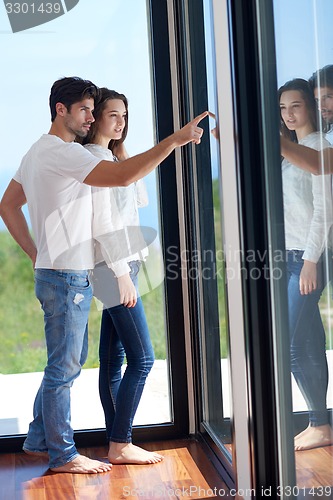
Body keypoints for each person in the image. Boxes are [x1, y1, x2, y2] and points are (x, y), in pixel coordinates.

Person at [0, 76, 207, 474]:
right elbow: (123, 177)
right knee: (65, 369)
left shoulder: (36, 151)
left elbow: (8, 205)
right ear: (60, 109)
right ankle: (63, 455)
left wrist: (34, 252)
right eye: (85, 110)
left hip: (59, 272)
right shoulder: (67, 154)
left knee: (69, 362)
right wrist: (174, 141)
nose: (90, 118)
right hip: (67, 275)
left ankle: (41, 438)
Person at [82, 88, 162, 465]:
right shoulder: (93, 161)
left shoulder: (111, 158)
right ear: (94, 117)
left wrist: (124, 156)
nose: (121, 122)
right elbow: (104, 225)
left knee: (113, 359)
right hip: (114, 267)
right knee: (142, 359)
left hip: (122, 265)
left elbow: (139, 200)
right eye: (113, 115)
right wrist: (121, 274)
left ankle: (117, 441)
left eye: (125, 116)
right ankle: (120, 441)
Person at [279, 78, 333, 451]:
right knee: (309, 339)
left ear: (311, 108)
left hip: (308, 258)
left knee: (293, 341)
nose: (289, 114)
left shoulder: (320, 148)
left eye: (295, 106)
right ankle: (321, 423)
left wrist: (311, 262)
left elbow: (323, 214)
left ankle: (319, 422)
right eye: (283, 108)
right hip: (292, 256)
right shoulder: (294, 152)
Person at [281, 65, 333, 174]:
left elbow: (320, 164)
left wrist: (272, 140)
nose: (321, 106)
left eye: (328, 97)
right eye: (317, 100)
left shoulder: (319, 144)